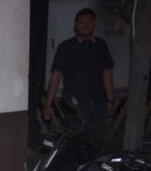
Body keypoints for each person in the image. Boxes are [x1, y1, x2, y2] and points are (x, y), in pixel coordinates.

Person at [43, 8, 114, 144]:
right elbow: (56, 75)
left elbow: (107, 72)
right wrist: (48, 104)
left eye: (89, 22)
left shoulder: (101, 45)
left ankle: (92, 163)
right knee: (77, 138)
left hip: (98, 99)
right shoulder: (66, 47)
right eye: (81, 22)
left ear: (94, 24)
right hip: (74, 100)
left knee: (98, 138)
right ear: (75, 25)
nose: (85, 25)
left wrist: (110, 100)